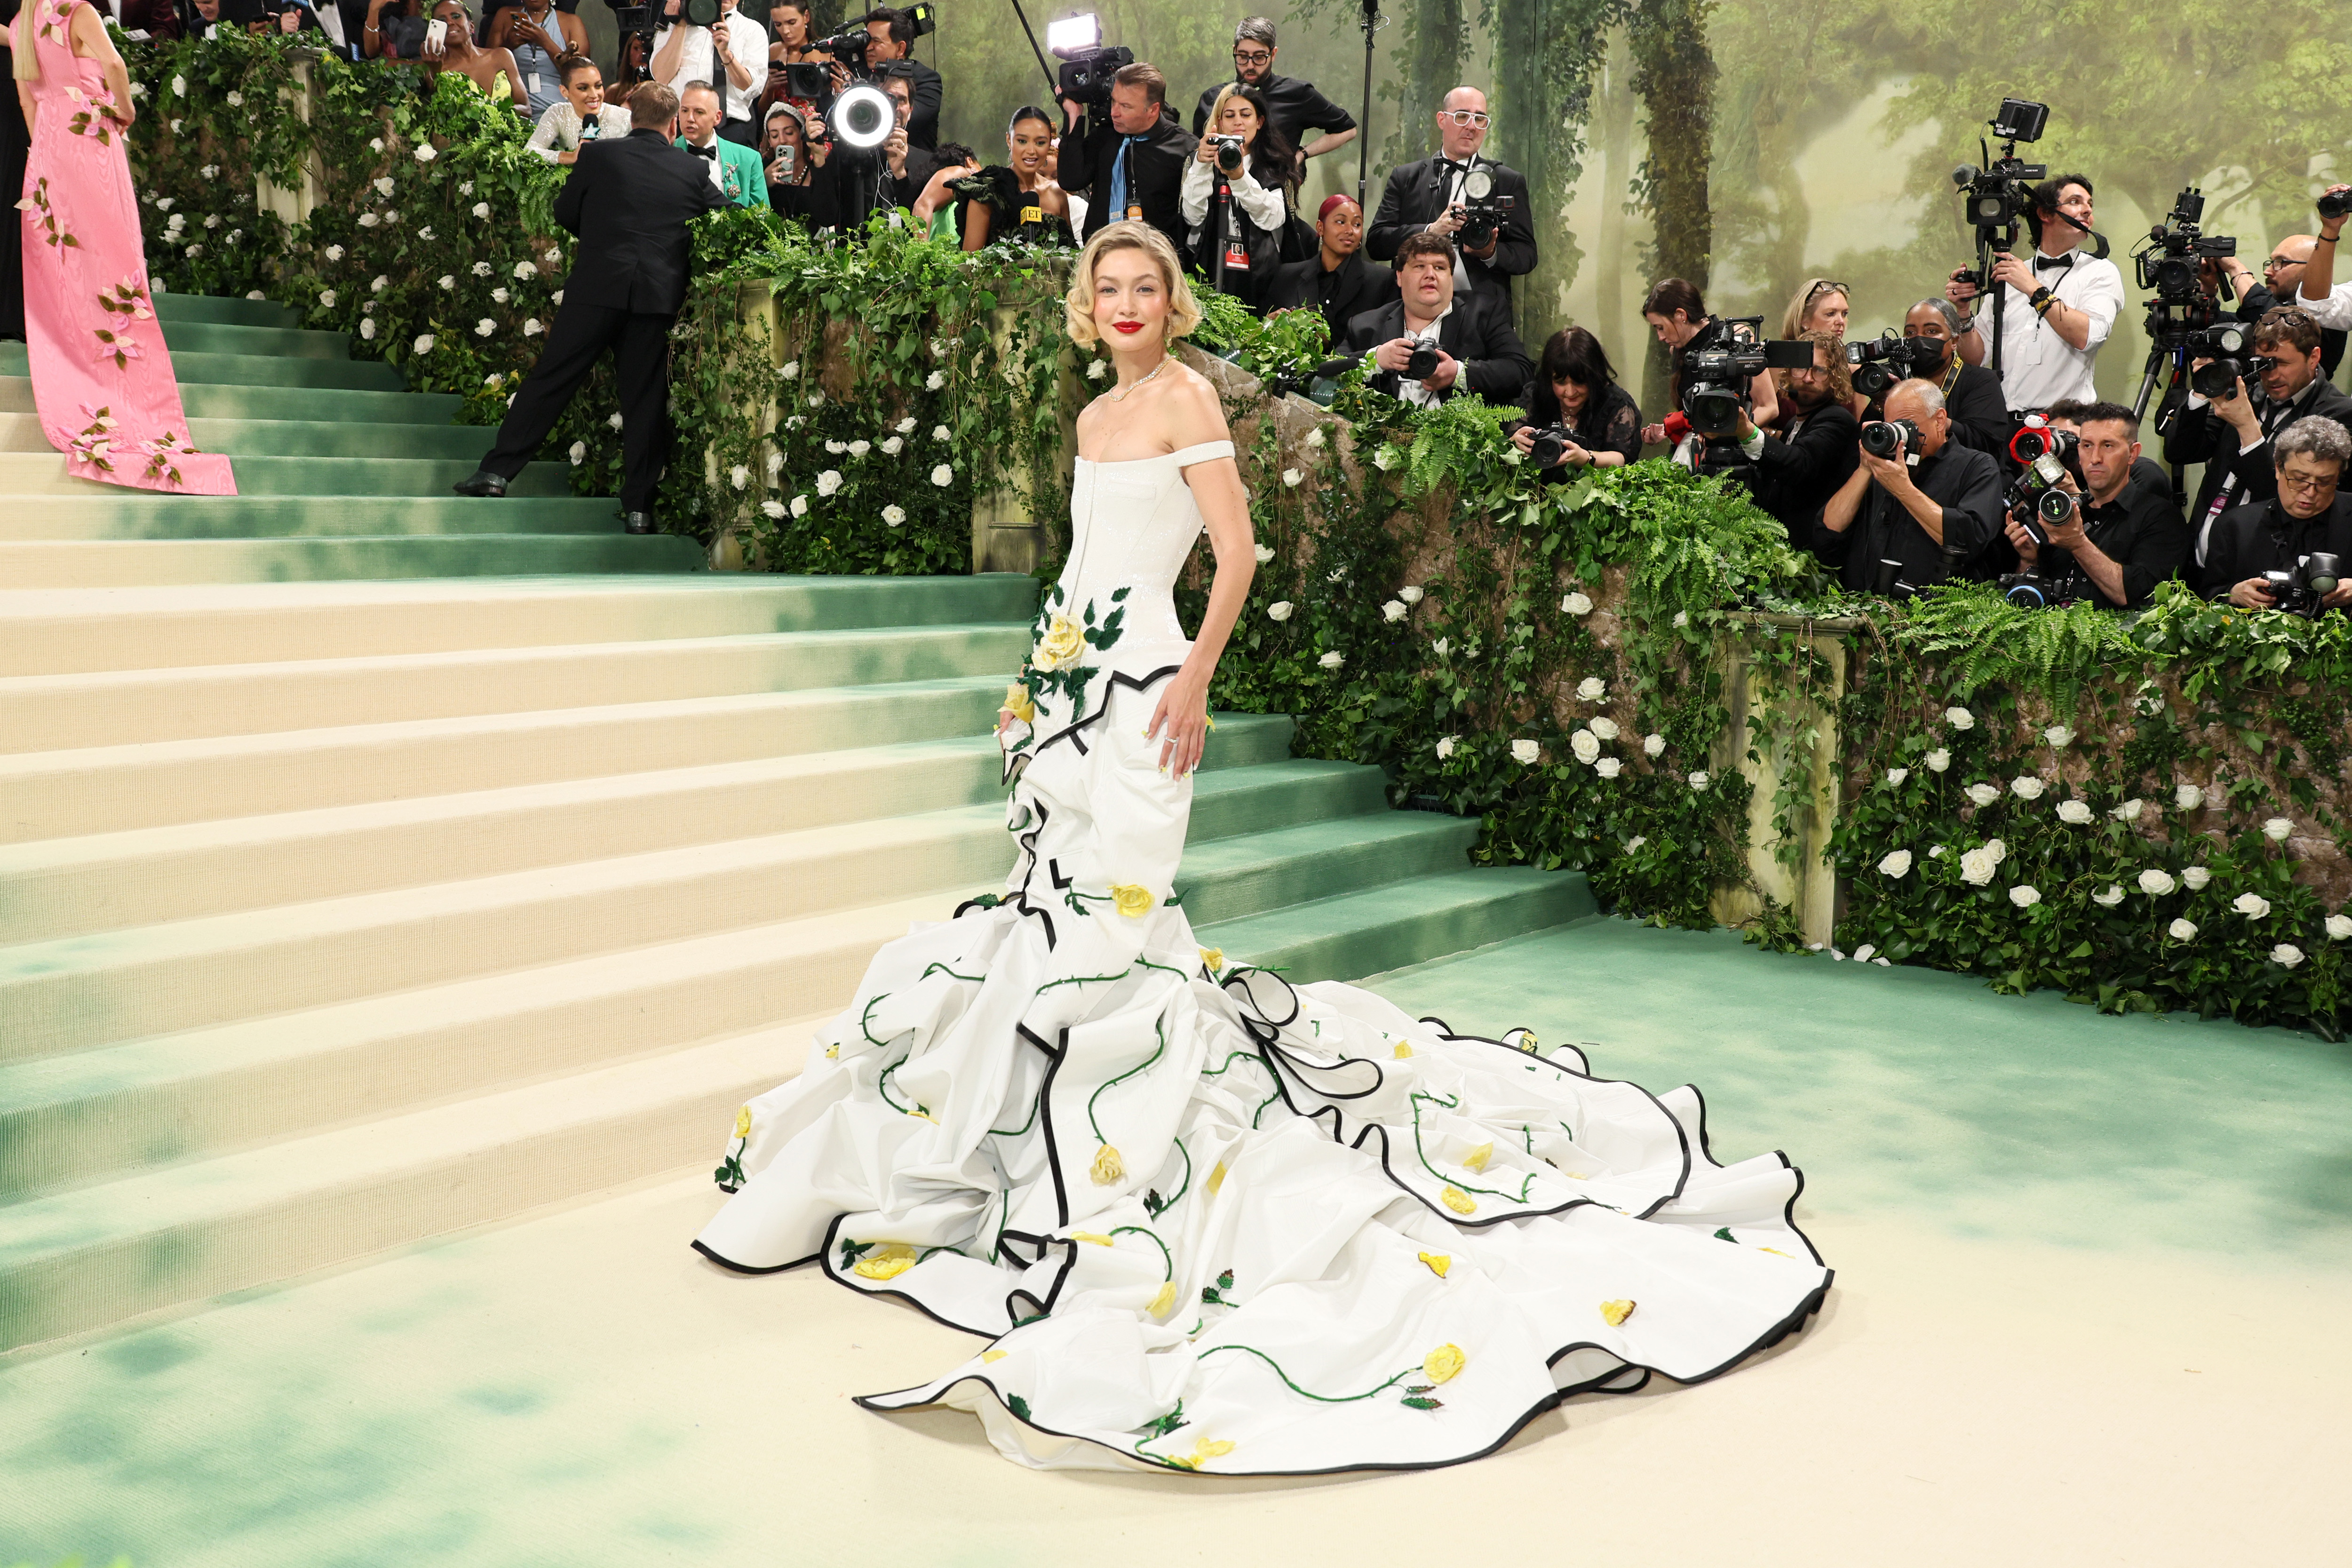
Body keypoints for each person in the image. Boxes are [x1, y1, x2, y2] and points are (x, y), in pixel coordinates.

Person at [687, 214, 1829, 1478]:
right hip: (1065, 684)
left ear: (1173, 304)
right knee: (1042, 909)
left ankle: (1130, 1152)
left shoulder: (1185, 404)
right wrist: (1029, 682)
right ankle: (1025, 1153)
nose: (1125, 302)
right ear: (1088, 303)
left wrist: (1193, 683)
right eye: (1106, 286)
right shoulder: (1090, 419)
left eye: (1145, 287)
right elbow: (1080, 565)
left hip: (1144, 695)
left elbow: (1234, 554)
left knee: (1116, 927)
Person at [454, 82, 726, 530]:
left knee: (552, 378)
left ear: (631, 116)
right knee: (645, 400)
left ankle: (496, 473)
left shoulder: (599, 155)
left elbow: (565, 212)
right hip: (657, 298)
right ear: (673, 124)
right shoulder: (692, 171)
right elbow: (728, 217)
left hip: (597, 287)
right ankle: (639, 509)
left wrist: (602, 238)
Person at [14, 0, 233, 492]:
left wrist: (48, 150)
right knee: (115, 265)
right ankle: (126, 392)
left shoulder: (20, 23)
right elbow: (114, 64)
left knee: (65, 275)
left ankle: (79, 375)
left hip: (47, 153)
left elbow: (29, 102)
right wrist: (127, 109)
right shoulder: (77, 11)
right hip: (90, 142)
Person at [2164, 305, 2352, 567]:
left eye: (2283, 363)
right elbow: (2179, 452)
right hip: (2201, 559)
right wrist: (2202, 390)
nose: (2271, 375)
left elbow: (2283, 493)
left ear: (2314, 357)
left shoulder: (2338, 415)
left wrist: (2247, 428)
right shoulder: (2248, 393)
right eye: (2262, 362)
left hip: (2265, 567)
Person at [1944, 172, 2123, 414]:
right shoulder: (2011, 272)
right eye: (2075, 202)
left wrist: (2032, 288)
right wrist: (1963, 312)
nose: (2087, 211)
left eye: (2090, 204)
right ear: (2045, 214)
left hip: (2063, 425)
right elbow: (1976, 358)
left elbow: (2088, 336)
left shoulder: (2100, 271)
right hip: (2002, 422)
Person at [1811, 379, 2002, 591]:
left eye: (1906, 426)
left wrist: (1903, 489)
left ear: (1940, 420)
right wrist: (1865, 468)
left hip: (1934, 614)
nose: (1898, 436)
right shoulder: (1881, 467)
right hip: (1864, 608)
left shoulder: (1977, 466)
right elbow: (1827, 535)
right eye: (1891, 426)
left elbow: (1968, 540)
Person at [1366, 86, 1534, 312]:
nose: (1471, 127)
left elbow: (1527, 255)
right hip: (1413, 310)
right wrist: (1430, 230)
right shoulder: (1406, 177)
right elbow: (1377, 243)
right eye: (1462, 116)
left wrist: (1491, 253)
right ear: (1442, 120)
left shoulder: (1507, 181)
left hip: (1482, 315)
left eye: (1480, 119)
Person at [2002, 402, 2187, 609]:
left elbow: (2140, 597)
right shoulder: (2061, 511)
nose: (2096, 458)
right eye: (2088, 446)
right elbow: (2026, 605)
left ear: (2133, 454)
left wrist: (2078, 544)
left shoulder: (2161, 518)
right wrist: (2029, 561)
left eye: (2108, 446)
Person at [1340, 230, 1531, 406]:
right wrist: (1376, 360)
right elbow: (1323, 371)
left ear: (1451, 276)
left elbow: (1520, 371)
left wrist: (1457, 373)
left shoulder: (1484, 313)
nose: (1430, 275)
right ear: (1399, 276)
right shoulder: (1365, 325)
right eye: (1419, 266)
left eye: (1440, 268)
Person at [2199, 415, 2352, 610]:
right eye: (2299, 479)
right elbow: (2206, 596)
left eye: (2324, 482)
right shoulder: (2234, 526)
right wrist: (2234, 594)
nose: (2311, 493)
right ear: (2279, 468)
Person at [1058, 61, 1197, 255]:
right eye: (1114, 101)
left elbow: (1195, 217)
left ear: (1153, 110)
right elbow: (1071, 179)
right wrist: (1073, 115)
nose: (1114, 112)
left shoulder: (1184, 147)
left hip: (1155, 261)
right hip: (1099, 254)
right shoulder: (1105, 135)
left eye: (1125, 106)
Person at [1187, 16, 1354, 175]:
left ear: (1273, 54)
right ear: (1234, 51)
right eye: (1243, 57)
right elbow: (1196, 151)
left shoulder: (1296, 94)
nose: (1250, 65)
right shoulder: (1213, 98)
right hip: (1221, 195)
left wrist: (1303, 154)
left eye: (1260, 58)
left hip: (1276, 195)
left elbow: (1348, 129)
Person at [1181, 81, 1294, 310]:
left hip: (1262, 272)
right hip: (1211, 265)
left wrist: (1239, 176)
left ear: (1260, 122)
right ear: (1220, 122)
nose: (1238, 122)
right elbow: (1192, 218)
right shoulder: (1198, 160)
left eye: (1246, 115)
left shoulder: (1277, 163)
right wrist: (1202, 165)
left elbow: (1274, 219)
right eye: (1230, 115)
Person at [1735, 330, 1859, 538]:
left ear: (1835, 378)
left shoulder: (1837, 419)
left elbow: (1799, 464)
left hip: (1813, 558)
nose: (1808, 378)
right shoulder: (1796, 422)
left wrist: (1748, 432)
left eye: (1820, 371)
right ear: (1789, 372)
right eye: (1801, 368)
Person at [1638, 278, 1778, 451]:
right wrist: (1669, 429)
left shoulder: (1738, 338)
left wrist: (1728, 433)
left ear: (1681, 315)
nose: (1660, 337)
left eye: (1661, 327)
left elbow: (1769, 407)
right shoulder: (1677, 351)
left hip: (1736, 453)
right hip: (1696, 456)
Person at [1506, 326, 1641, 477]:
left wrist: (1586, 458)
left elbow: (1622, 459)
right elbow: (1510, 442)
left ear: (1595, 376)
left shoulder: (1618, 405)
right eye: (1561, 382)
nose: (1570, 392)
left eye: (1579, 382)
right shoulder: (1535, 394)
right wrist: (1515, 442)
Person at [1262, 192, 1395, 334]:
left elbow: (1383, 338)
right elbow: (1262, 330)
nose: (1350, 231)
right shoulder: (1286, 276)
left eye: (1357, 224)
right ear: (1320, 228)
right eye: (1341, 222)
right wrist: (1269, 324)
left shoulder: (1381, 281)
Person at [2216, 234, 2345, 379]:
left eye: (2281, 262)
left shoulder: (2328, 311)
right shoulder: (2274, 308)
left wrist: (2235, 268)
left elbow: (2278, 324)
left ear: (2313, 269)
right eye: (2271, 262)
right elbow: (2226, 324)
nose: (2268, 271)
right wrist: (2205, 294)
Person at [1891, 297, 2007, 457]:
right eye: (1911, 333)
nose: (1919, 339)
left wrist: (1935, 421)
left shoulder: (1981, 381)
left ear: (1954, 341)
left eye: (1931, 331)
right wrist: (1881, 402)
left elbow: (1987, 443)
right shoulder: (1899, 380)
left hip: (1963, 476)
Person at [649, 0, 760, 148]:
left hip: (729, 129)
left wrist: (726, 54)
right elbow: (661, 78)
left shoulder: (752, 29)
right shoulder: (673, 25)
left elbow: (750, 88)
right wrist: (681, 23)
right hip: (679, 126)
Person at [958, 107, 1070, 250]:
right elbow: (970, 264)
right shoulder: (986, 193)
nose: (1031, 151)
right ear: (1009, 140)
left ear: (1049, 144)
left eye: (1040, 143)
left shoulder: (1057, 194)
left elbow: (1070, 254)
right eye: (1022, 141)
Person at [853, 5, 937, 151]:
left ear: (900, 49)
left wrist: (855, 95)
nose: (868, 48)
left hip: (914, 170)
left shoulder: (928, 79)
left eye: (876, 41)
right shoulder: (863, 75)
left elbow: (903, 119)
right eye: (867, 41)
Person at [485, 0, 584, 120]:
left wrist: (545, 42)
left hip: (558, 109)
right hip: (517, 109)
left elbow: (582, 77)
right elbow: (487, 67)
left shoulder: (571, 22)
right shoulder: (505, 16)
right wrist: (508, 46)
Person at [675, 79, 765, 209]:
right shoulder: (665, 154)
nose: (690, 118)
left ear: (717, 118)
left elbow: (763, 218)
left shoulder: (749, 159)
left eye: (699, 112)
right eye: (684, 111)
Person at [527, 51, 629, 165]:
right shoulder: (559, 113)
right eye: (583, 88)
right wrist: (570, 157)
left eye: (598, 86)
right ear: (564, 91)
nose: (594, 95)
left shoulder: (625, 117)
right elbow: (530, 151)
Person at [421, 2, 526, 104]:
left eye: (456, 16)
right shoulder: (438, 72)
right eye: (442, 20)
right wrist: (436, 71)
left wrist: (492, 108)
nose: (450, 23)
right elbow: (438, 111)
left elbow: (526, 109)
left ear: (471, 26)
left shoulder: (502, 56)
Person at [760, 99, 841, 230]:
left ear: (801, 135)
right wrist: (764, 183)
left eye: (789, 133)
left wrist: (819, 158)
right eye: (775, 136)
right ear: (769, 141)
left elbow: (828, 218)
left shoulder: (817, 169)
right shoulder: (761, 169)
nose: (782, 140)